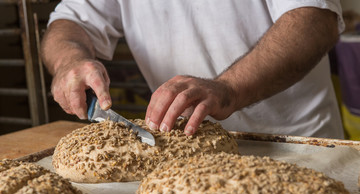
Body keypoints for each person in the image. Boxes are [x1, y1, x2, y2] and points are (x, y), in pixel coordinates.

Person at [41, 0, 345, 138]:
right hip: (186, 152)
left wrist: (230, 88)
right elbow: (71, 22)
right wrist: (68, 61)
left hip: (299, 146)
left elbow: (314, 18)